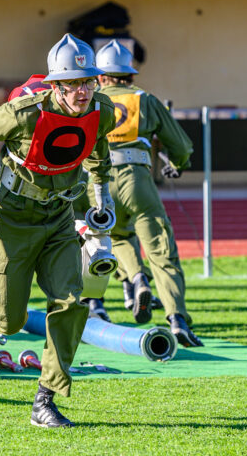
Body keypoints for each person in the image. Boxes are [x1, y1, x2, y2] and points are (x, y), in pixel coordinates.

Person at [0, 33, 117, 428]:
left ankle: (45, 399)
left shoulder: (102, 110)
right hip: (11, 216)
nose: (82, 91)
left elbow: (98, 148)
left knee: (71, 300)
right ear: (56, 85)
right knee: (8, 320)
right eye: (73, 83)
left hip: (59, 216)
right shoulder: (25, 113)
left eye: (88, 81)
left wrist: (102, 192)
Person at [94, 39, 202, 347]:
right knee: (161, 250)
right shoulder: (145, 99)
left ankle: (136, 278)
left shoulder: (90, 101)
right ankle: (177, 319)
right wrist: (178, 164)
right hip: (137, 179)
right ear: (130, 74)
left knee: (115, 236)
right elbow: (181, 145)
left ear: (101, 76)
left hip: (98, 183)